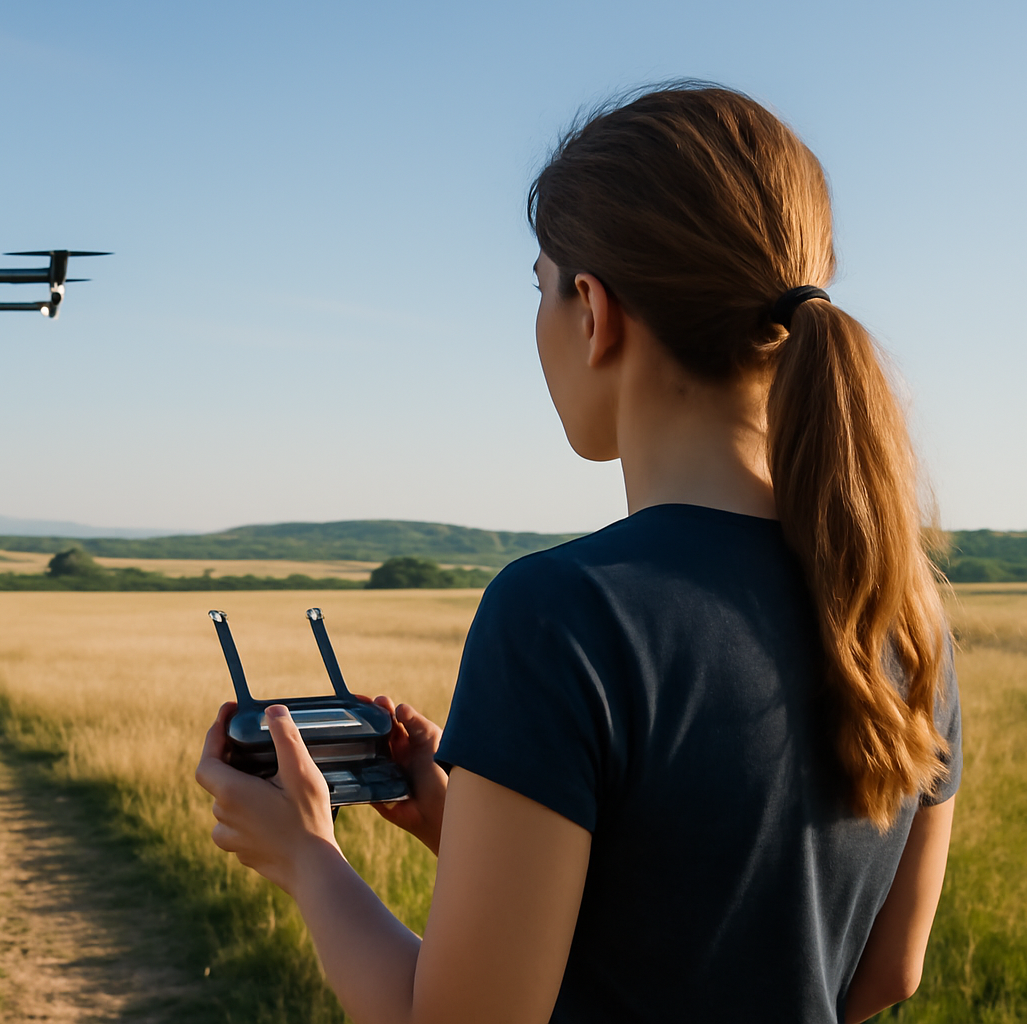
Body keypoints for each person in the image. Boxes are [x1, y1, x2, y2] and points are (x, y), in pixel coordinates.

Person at [194, 83, 960, 1024]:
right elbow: (886, 973)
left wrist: (307, 856)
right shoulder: (899, 609)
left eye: (540, 289)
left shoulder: (562, 614)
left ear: (594, 310)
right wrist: (468, 829)